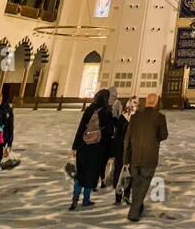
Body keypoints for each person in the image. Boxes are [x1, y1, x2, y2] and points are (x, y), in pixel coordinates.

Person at [123, 93, 168, 222]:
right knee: (143, 184)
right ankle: (134, 212)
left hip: (135, 156)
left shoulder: (135, 117)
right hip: (149, 156)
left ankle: (138, 206)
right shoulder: (160, 117)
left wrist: (126, 159)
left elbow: (127, 139)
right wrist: (154, 139)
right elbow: (164, 135)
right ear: (156, 102)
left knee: (137, 183)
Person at [70, 88, 112, 210]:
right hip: (96, 148)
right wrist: (109, 152)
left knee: (80, 173)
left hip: (83, 146)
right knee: (91, 174)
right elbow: (108, 134)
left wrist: (75, 146)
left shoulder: (89, 109)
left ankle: (75, 198)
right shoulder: (106, 111)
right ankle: (86, 199)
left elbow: (81, 128)